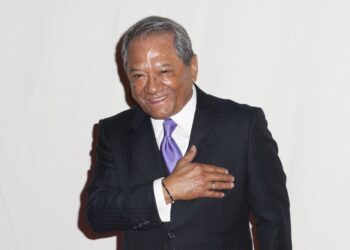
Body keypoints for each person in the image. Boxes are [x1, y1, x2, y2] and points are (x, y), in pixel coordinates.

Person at [87, 16, 292, 250]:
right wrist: (165, 191)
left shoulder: (242, 126)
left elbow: (273, 222)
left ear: (192, 67)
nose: (152, 87)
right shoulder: (114, 133)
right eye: (139, 76)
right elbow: (97, 216)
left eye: (164, 71)